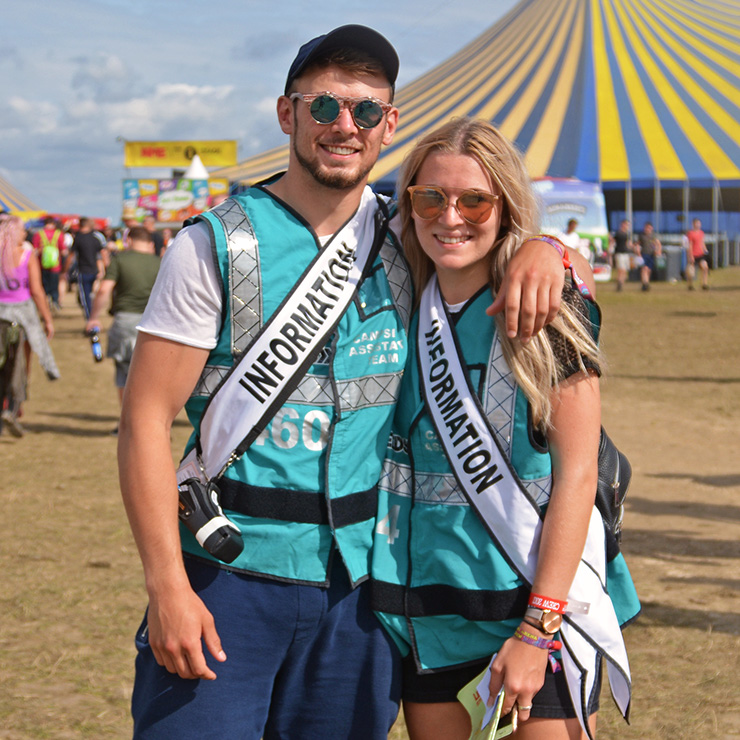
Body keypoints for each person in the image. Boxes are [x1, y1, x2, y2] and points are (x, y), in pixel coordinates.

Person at [118, 25, 575, 740]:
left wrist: (546, 250)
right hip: (227, 573)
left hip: (359, 595)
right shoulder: (213, 243)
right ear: (287, 113)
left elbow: (490, 231)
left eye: (366, 111)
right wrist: (166, 586)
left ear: (389, 125)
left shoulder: (409, 235)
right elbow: (144, 420)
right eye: (324, 106)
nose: (344, 126)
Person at [370, 118, 640, 740]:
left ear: (506, 205)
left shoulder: (551, 305)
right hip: (427, 607)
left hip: (538, 604)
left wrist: (536, 629)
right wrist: (552, 247)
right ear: (408, 204)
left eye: (475, 199)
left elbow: (576, 474)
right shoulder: (396, 300)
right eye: (430, 197)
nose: (451, 216)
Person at [85, 226, 160, 433]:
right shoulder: (159, 262)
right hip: (154, 324)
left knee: (124, 374)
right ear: (149, 242)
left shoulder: (120, 260)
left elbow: (104, 289)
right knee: (151, 377)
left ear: (129, 240)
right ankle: (152, 424)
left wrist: (93, 318)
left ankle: (127, 424)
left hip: (125, 321)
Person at [0, 215, 60, 437]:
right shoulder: (26, 255)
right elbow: (36, 290)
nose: (26, 234)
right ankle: (12, 408)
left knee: (3, 364)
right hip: (22, 315)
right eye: (23, 230)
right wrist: (47, 318)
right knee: (19, 365)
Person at [66, 217, 105, 318]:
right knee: (91, 295)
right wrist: (103, 269)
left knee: (85, 297)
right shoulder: (95, 239)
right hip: (95, 270)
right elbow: (101, 255)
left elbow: (71, 256)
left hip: (83, 271)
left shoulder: (78, 239)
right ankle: (94, 315)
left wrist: (65, 269)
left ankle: (90, 320)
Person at [31, 216, 66, 311]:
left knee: (44, 287)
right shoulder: (59, 234)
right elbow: (63, 251)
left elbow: (34, 250)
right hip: (56, 265)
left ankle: (45, 304)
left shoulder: (38, 234)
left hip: (41, 265)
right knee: (54, 286)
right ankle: (55, 302)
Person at [636, 222, 662, 291]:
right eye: (647, 228)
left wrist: (658, 251)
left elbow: (658, 243)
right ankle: (645, 284)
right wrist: (638, 253)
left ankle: (646, 283)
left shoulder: (653, 235)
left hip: (651, 255)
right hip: (644, 254)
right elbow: (638, 245)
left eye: (649, 228)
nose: (648, 229)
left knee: (649, 270)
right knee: (644, 269)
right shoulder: (641, 235)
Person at [686, 217, 709, 290]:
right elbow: (690, 245)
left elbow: (702, 242)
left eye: (699, 223)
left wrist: (705, 250)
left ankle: (704, 284)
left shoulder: (701, 233)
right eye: (696, 223)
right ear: (693, 224)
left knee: (705, 267)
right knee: (691, 272)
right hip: (694, 254)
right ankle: (690, 285)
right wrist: (691, 255)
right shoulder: (690, 233)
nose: (698, 225)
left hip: (700, 254)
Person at [610, 219, 633, 291]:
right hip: (619, 253)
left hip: (625, 253)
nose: (627, 226)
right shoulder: (618, 233)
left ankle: (621, 284)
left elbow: (628, 244)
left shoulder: (627, 234)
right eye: (626, 225)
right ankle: (619, 285)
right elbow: (612, 241)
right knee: (621, 270)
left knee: (625, 271)